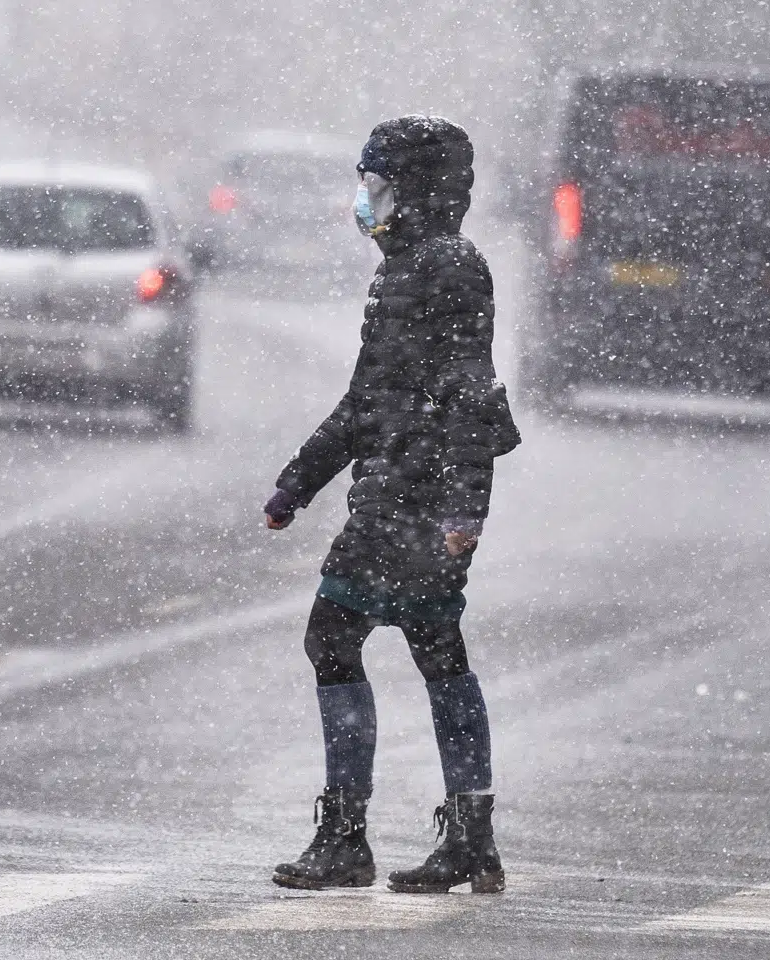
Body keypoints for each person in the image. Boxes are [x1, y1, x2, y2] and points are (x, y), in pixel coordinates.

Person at [263, 115, 521, 895]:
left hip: (409, 499)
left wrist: (462, 510)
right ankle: (470, 837)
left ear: (417, 193)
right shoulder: (414, 265)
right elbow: (365, 400)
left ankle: (348, 838)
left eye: (376, 188)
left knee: (335, 636)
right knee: (435, 649)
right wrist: (298, 483)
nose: (364, 203)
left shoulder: (441, 268)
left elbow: (470, 396)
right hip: (402, 495)